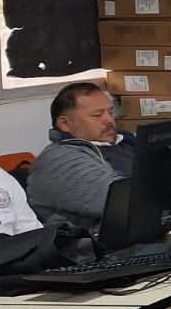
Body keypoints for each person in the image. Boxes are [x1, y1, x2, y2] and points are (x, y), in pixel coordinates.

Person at [27, 82, 136, 231]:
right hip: (93, 242)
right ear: (65, 124)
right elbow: (124, 202)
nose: (109, 121)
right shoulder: (60, 161)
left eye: (110, 112)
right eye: (97, 115)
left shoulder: (125, 141)